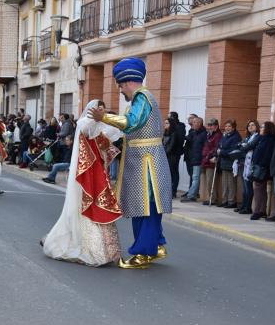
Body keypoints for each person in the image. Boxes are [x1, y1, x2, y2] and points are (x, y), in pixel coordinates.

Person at [88, 57, 172, 269]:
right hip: (144, 161)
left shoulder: (141, 97)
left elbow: (131, 123)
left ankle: (143, 253)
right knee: (145, 207)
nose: (120, 90)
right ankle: (157, 245)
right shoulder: (141, 99)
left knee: (146, 208)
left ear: (127, 82)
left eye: (120, 85)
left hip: (147, 163)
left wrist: (104, 117)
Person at [42, 99, 123, 266]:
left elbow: (109, 143)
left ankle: (106, 251)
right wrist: (98, 120)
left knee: (101, 204)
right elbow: (88, 132)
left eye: (103, 108)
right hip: (88, 173)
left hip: (99, 171)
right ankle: (92, 250)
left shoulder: (101, 125)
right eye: (98, 108)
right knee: (88, 205)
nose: (101, 111)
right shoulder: (86, 124)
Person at [250, 121, 275, 220]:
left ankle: (257, 211)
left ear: (268, 129)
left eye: (262, 127)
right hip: (262, 167)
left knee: (258, 189)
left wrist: (260, 164)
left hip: (263, 168)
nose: (260, 129)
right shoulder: (262, 138)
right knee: (261, 190)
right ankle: (262, 210)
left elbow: (267, 155)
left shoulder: (268, 140)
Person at [216, 119, 242, 208]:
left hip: (231, 162)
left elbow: (233, 150)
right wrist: (218, 151)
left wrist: (221, 152)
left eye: (229, 126)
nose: (227, 128)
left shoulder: (236, 137)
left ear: (233, 128)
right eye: (226, 126)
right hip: (224, 162)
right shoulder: (225, 135)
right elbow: (219, 145)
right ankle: (224, 200)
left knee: (231, 183)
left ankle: (231, 201)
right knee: (225, 183)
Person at [236, 120, 260, 214]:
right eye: (249, 125)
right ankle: (243, 205)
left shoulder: (257, 136)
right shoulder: (248, 137)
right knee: (245, 187)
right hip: (245, 163)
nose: (250, 127)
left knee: (248, 187)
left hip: (252, 164)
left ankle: (248, 207)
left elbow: (249, 146)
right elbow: (238, 146)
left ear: (257, 126)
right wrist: (243, 146)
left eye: (253, 125)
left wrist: (243, 146)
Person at [182, 117, 207, 202]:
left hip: (199, 158)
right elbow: (188, 140)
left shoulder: (203, 134)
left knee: (195, 178)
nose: (193, 124)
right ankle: (193, 194)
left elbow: (205, 147)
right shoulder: (194, 133)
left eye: (195, 122)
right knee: (195, 177)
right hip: (193, 158)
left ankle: (191, 195)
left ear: (200, 123)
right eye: (192, 122)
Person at [201, 119, 222, 205]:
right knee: (208, 181)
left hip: (211, 160)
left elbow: (216, 147)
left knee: (211, 181)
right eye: (208, 125)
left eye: (211, 125)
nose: (209, 127)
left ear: (216, 126)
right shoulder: (209, 135)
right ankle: (209, 197)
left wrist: (208, 156)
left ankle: (212, 199)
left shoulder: (217, 135)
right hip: (206, 160)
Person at [167, 112, 185, 197]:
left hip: (174, 154)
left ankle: (173, 191)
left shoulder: (179, 127)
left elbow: (178, 141)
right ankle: (169, 190)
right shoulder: (168, 129)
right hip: (170, 153)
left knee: (173, 172)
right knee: (170, 172)